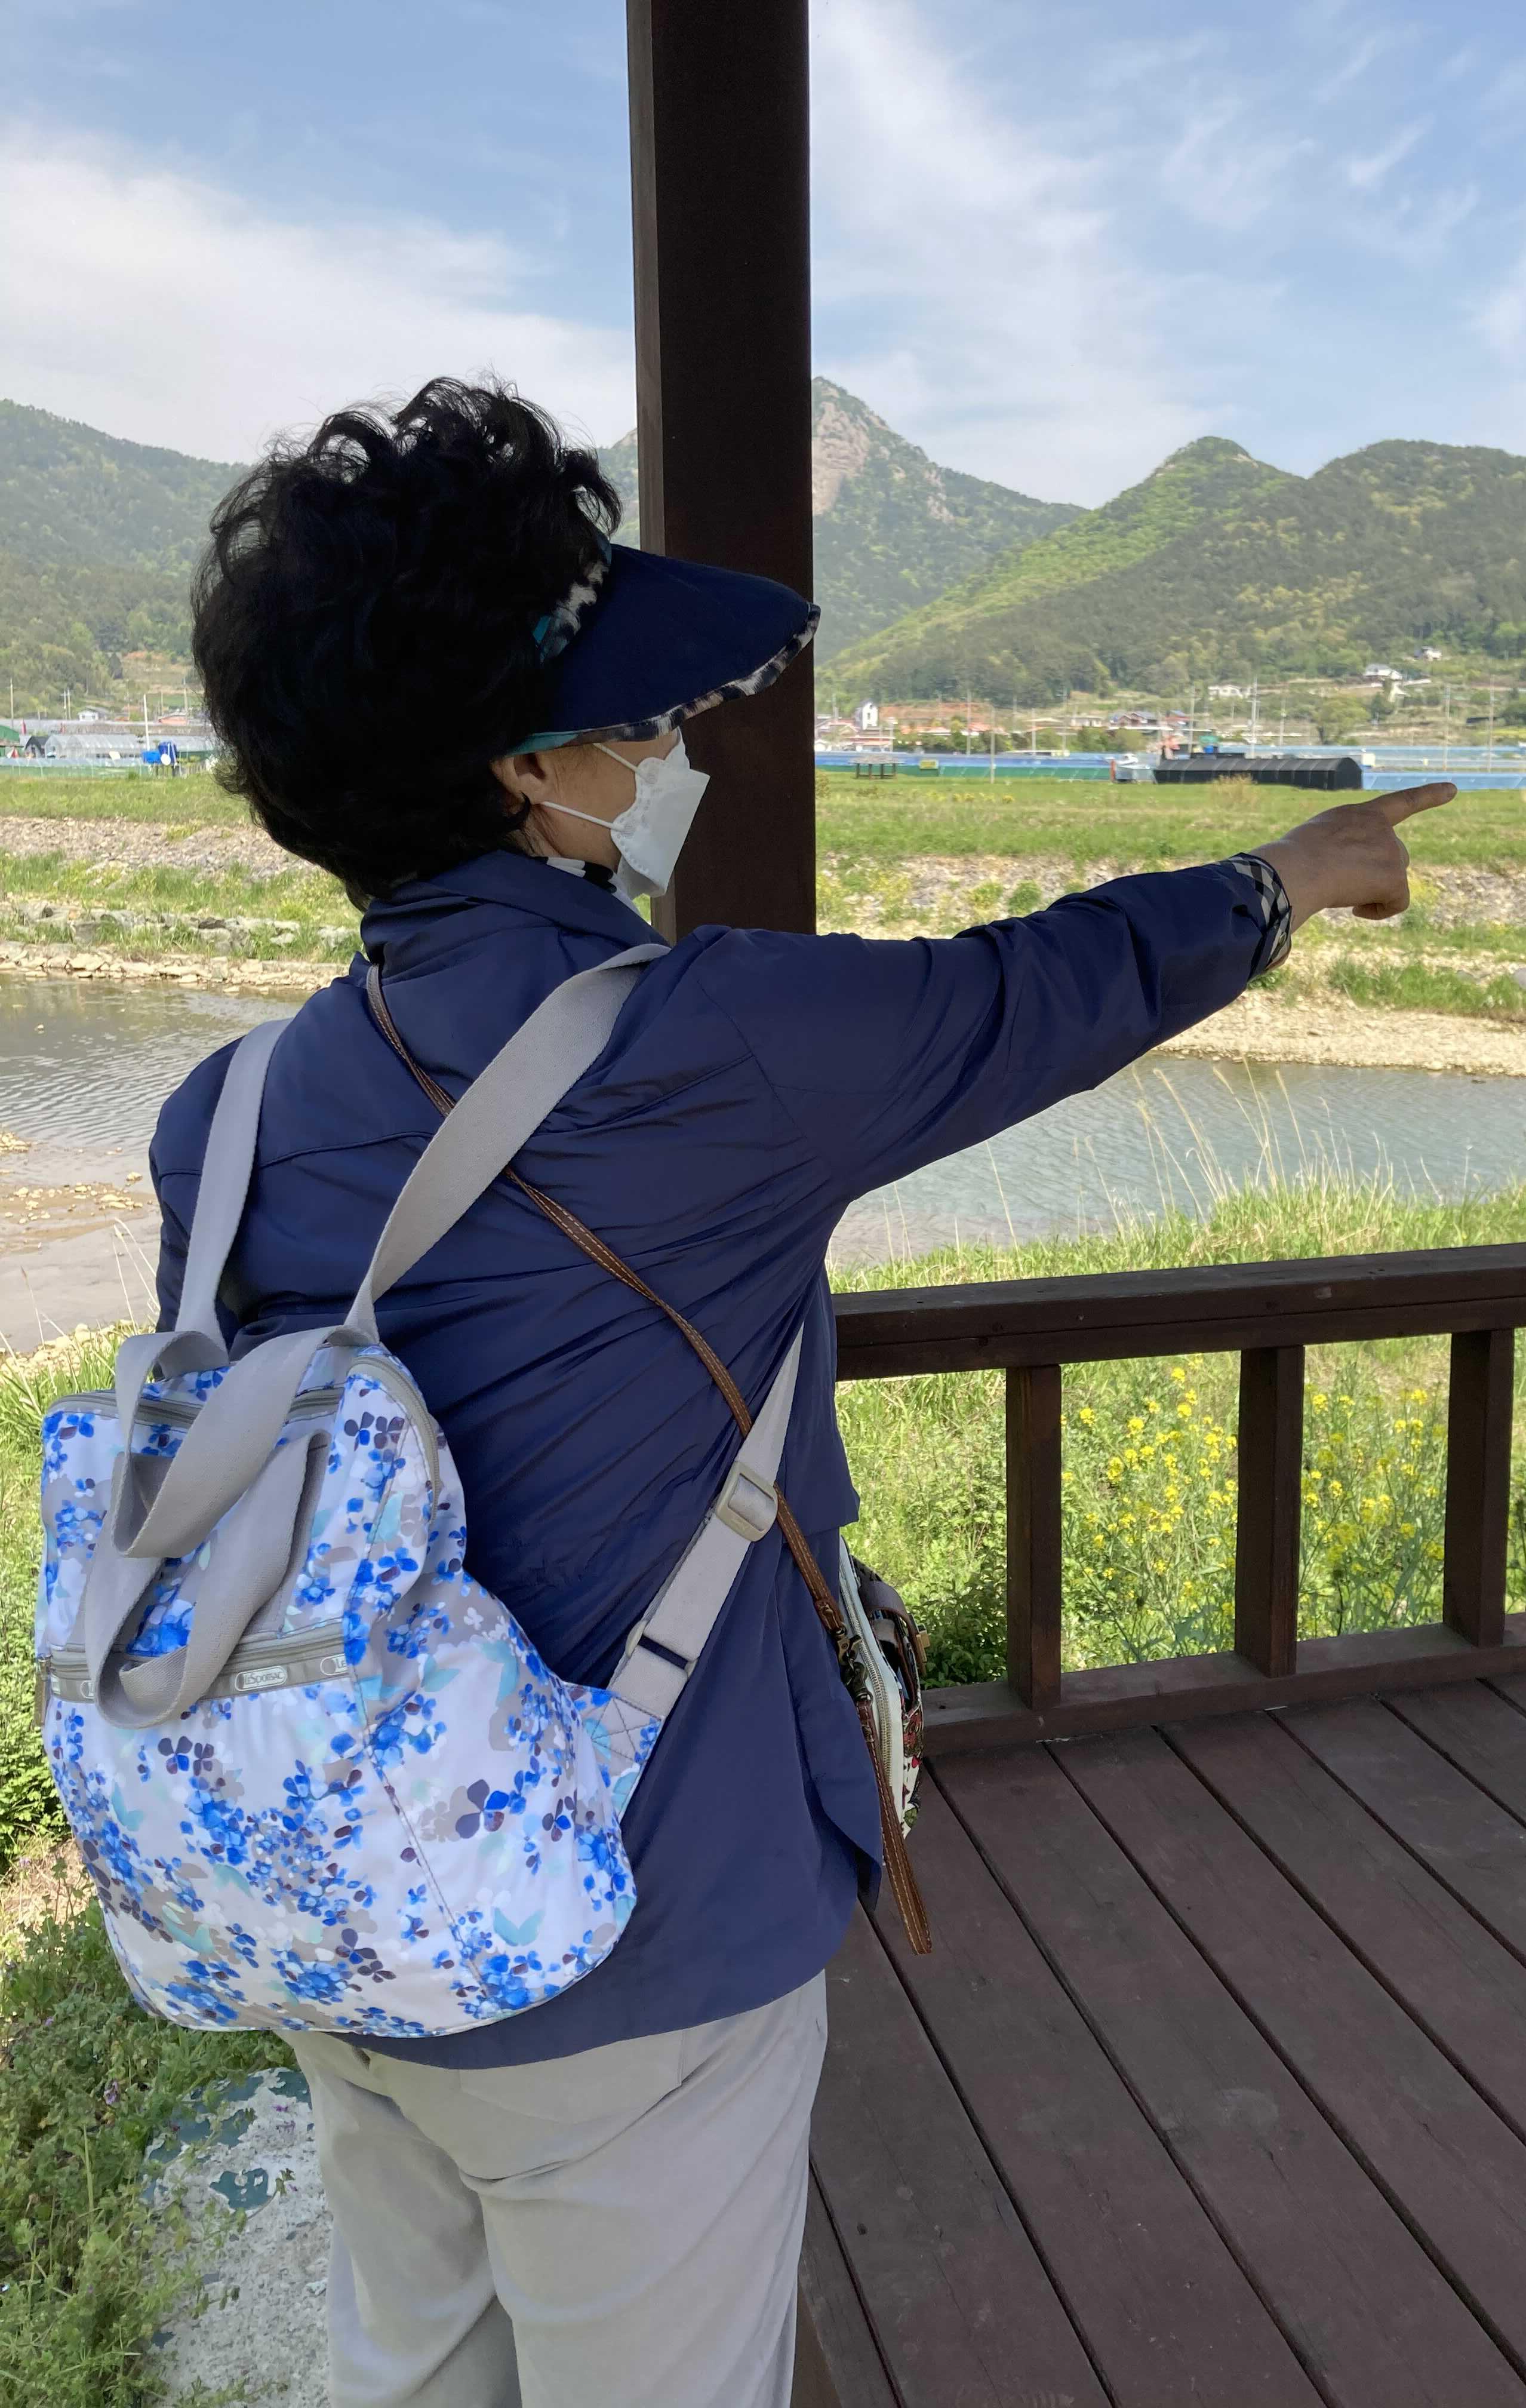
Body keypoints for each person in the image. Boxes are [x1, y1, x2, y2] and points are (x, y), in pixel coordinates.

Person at [155, 377, 1450, 2408]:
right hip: (629, 1931)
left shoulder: (218, 1116)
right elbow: (1035, 990)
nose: (671, 756)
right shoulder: (707, 1044)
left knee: (415, 2371)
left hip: (333, 1892)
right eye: (637, 724)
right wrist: (1288, 878)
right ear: (528, 768)